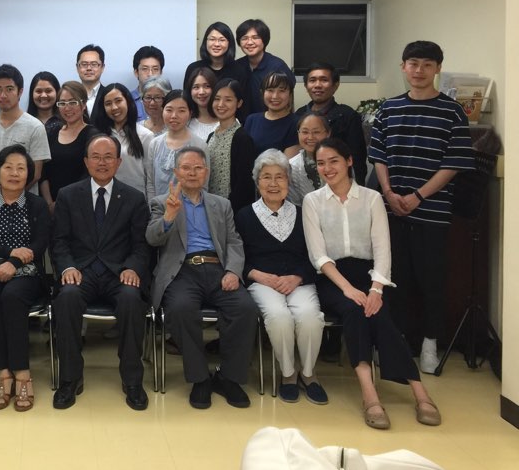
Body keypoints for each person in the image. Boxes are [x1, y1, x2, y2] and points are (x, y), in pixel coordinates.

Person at [303, 138, 441, 429]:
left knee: (379, 313)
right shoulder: (312, 201)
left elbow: (382, 249)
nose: (327, 168)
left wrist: (376, 289)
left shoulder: (372, 198)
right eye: (321, 163)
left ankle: (419, 392)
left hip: (369, 274)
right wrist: (347, 289)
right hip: (332, 278)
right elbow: (318, 256)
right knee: (355, 310)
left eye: (334, 161)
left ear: (349, 161)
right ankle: (370, 394)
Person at [368, 40, 473, 373]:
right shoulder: (389, 108)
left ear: (438, 69)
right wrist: (388, 192)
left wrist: (418, 197)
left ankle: (430, 343)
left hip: (432, 212)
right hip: (391, 208)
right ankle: (397, 342)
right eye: (413, 64)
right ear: (403, 67)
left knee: (431, 280)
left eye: (427, 65)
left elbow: (453, 163)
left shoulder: (452, 111)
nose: (419, 70)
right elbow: (379, 156)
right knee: (394, 279)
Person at [146, 146, 259, 409]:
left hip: (218, 268)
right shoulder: (162, 202)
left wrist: (233, 271)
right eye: (186, 168)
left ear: (206, 172)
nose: (192, 173)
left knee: (245, 308)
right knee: (180, 309)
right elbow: (151, 239)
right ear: (176, 172)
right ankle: (200, 378)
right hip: (181, 271)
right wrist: (168, 217)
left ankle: (228, 377)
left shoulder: (222, 204)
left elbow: (234, 242)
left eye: (198, 168)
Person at [51, 135, 151, 411]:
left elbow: (141, 245)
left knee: (132, 299)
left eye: (109, 157)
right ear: (86, 161)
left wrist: (132, 267)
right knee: (67, 298)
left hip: (118, 274)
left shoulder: (134, 198)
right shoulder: (68, 195)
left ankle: (132, 380)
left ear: (118, 162)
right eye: (96, 157)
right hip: (81, 272)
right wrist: (68, 267)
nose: (102, 162)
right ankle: (70, 379)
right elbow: (59, 241)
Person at [236, 150, 326, 404]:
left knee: (310, 317)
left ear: (288, 180)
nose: (273, 183)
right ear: (257, 182)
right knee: (278, 317)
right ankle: (288, 374)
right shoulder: (244, 215)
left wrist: (297, 277)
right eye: (266, 177)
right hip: (262, 281)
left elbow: (316, 254)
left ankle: (308, 373)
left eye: (280, 177)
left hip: (299, 280)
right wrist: (257, 275)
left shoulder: (303, 213)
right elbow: (236, 256)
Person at [0, 145, 51, 412]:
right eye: (8, 167)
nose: (14, 173)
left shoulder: (37, 205)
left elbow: (40, 244)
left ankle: (22, 373)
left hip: (27, 272)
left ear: (29, 174)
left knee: (13, 296)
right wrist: (9, 253)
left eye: (21, 168)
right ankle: (3, 373)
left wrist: (14, 263)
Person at [0, 64, 51, 195]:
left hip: (24, 201)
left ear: (20, 92)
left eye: (9, 89)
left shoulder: (35, 127)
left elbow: (36, 173)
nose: (3, 95)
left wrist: (9, 198)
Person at [295, 62, 368, 185]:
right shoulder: (299, 115)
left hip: (339, 184)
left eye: (324, 80)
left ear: (335, 85)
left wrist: (356, 189)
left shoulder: (347, 116)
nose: (317, 85)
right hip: (303, 183)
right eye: (312, 80)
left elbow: (358, 160)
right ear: (306, 86)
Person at [90, 82, 155, 198]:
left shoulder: (145, 135)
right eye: (108, 103)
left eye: (118, 101)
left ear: (128, 102)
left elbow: (150, 178)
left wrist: (151, 205)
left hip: (136, 200)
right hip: (105, 199)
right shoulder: (98, 137)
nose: (114, 107)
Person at [40, 81, 94, 212]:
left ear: (84, 104)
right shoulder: (52, 132)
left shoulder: (93, 135)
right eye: (62, 103)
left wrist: (63, 203)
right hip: (51, 207)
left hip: (81, 206)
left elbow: (89, 174)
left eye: (73, 102)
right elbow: (44, 171)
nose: (67, 108)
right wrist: (49, 203)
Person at [206, 78, 257, 215]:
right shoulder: (211, 136)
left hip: (231, 213)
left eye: (228, 100)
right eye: (217, 99)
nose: (221, 104)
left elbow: (245, 185)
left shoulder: (242, 139)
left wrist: (228, 212)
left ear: (239, 103)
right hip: (210, 210)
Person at [147, 89, 206, 200]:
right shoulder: (154, 144)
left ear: (190, 113)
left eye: (181, 111)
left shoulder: (199, 146)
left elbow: (203, 186)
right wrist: (153, 207)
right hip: (158, 208)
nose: (174, 116)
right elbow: (150, 183)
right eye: (169, 110)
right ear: (162, 110)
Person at [235, 19, 295, 118]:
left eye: (255, 37)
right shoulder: (237, 66)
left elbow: (288, 98)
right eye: (244, 38)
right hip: (242, 122)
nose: (249, 42)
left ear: (264, 40)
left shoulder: (277, 66)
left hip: (272, 120)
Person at [243, 71, 300, 157]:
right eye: (270, 90)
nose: (275, 96)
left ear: (290, 95)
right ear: (262, 93)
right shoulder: (251, 120)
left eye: (282, 91)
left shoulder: (297, 123)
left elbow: (288, 163)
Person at [287, 113, 331, 205]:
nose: (310, 137)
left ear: (328, 133)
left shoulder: (340, 162)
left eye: (316, 132)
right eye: (305, 132)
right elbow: (294, 204)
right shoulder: (292, 166)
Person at [187, 21, 248, 86]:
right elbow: (187, 92)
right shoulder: (193, 68)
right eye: (212, 39)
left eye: (222, 40)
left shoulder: (239, 70)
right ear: (206, 42)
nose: (216, 44)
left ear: (229, 43)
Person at [184, 65, 220, 141]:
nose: (201, 92)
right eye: (196, 87)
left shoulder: (226, 121)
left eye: (207, 86)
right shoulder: (185, 122)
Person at [131, 45, 164, 121]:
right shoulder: (127, 100)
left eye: (155, 69)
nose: (150, 74)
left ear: (161, 73)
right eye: (145, 69)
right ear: (136, 72)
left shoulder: (169, 100)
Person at [76, 43, 106, 115]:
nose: (89, 68)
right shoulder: (70, 95)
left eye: (94, 64)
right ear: (77, 67)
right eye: (84, 64)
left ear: (102, 67)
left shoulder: (109, 95)